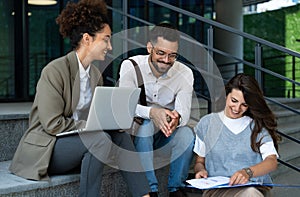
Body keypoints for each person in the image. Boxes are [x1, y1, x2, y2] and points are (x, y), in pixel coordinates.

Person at [9, 0, 150, 197]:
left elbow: (96, 115)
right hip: (49, 149)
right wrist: (91, 126)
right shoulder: (54, 71)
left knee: (120, 135)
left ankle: (144, 195)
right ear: (87, 39)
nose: (109, 46)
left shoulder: (94, 74)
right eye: (106, 39)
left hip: (80, 144)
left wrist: (111, 121)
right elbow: (52, 124)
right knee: (99, 139)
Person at [118, 23, 195, 197]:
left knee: (187, 135)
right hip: (137, 136)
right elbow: (124, 106)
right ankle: (150, 190)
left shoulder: (185, 73)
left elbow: (184, 113)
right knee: (146, 125)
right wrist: (153, 113)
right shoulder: (130, 66)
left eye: (172, 55)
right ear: (149, 47)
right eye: (161, 53)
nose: (166, 60)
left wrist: (176, 118)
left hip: (165, 136)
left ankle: (176, 188)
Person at [193, 73, 281, 197]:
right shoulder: (207, 123)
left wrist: (247, 172)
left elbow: (271, 161)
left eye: (244, 104)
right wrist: (200, 170)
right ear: (226, 95)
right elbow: (200, 161)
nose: (237, 108)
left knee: (250, 194)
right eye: (234, 101)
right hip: (218, 190)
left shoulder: (257, 127)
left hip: (252, 188)